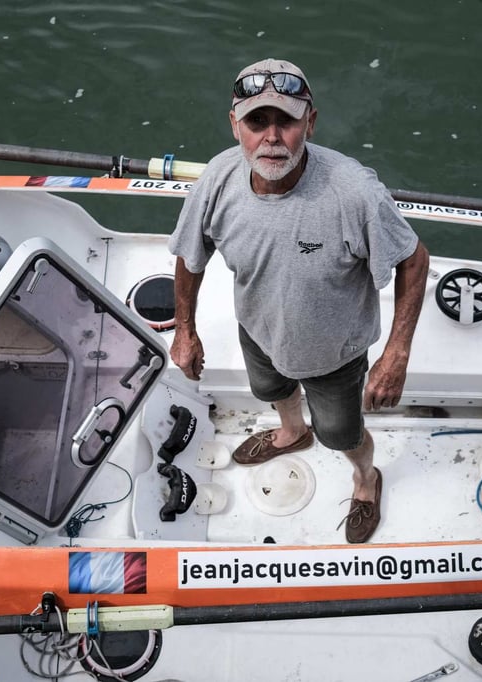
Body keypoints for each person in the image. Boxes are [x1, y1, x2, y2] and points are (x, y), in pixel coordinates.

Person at [168, 58, 429, 543]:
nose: (271, 137)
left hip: (335, 356)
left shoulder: (354, 193)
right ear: (234, 125)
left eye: (286, 121)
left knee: (343, 436)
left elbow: (414, 260)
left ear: (310, 120)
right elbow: (189, 254)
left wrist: (396, 354)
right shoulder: (216, 180)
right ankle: (291, 432)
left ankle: (365, 480)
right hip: (258, 330)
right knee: (272, 392)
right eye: (256, 121)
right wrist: (186, 329)